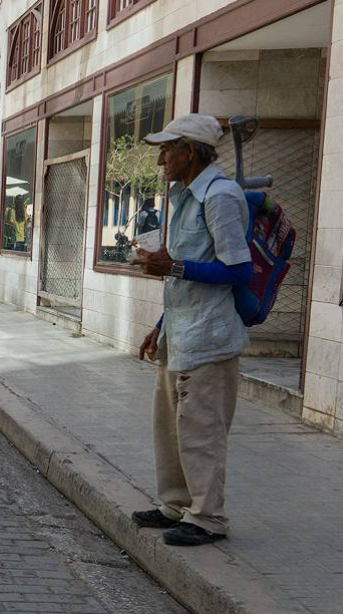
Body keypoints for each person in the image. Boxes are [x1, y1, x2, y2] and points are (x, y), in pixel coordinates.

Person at [133, 114, 253, 547]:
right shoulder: (184, 196)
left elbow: (238, 270)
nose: (161, 158)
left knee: (201, 432)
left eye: (167, 149)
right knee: (169, 428)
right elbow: (182, 270)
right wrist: (160, 324)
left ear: (190, 151)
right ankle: (175, 505)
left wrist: (174, 266)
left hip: (209, 339)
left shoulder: (220, 197)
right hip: (179, 333)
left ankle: (207, 518)